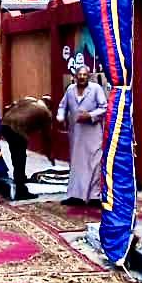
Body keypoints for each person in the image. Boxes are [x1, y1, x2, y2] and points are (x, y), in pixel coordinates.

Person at [57, 65, 107, 206]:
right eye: (80, 75)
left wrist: (90, 115)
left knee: (95, 163)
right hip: (76, 133)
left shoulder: (96, 89)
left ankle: (94, 197)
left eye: (85, 75)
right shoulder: (70, 90)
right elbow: (62, 106)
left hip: (93, 132)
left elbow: (104, 107)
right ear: (75, 76)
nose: (82, 77)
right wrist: (60, 117)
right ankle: (76, 196)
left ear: (89, 76)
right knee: (77, 164)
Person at [1, 96, 54, 200]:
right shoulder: (46, 112)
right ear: (49, 106)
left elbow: (8, 107)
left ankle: (20, 178)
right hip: (18, 129)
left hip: (5, 125)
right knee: (20, 157)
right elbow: (46, 137)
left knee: (15, 153)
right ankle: (21, 190)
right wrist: (49, 155)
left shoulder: (28, 99)